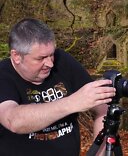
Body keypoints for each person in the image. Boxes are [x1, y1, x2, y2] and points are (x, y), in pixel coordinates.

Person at [0, 18, 115, 155]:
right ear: (16, 56)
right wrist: (73, 102)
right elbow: (13, 120)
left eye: (51, 55)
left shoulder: (63, 61)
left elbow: (103, 108)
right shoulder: (3, 75)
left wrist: (100, 153)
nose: (50, 63)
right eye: (41, 58)